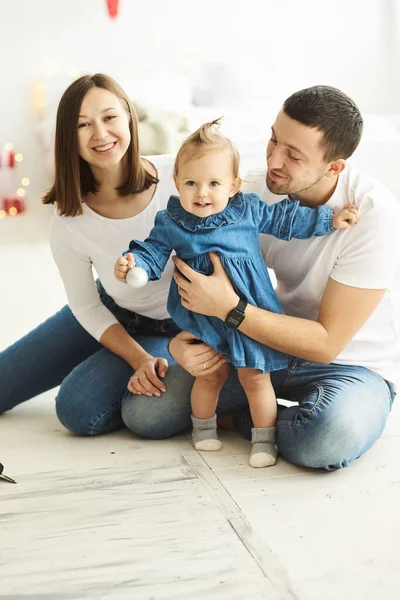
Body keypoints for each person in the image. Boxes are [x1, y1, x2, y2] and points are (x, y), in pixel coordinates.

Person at [123, 85, 399, 472]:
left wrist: (230, 310)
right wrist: (183, 345)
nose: (274, 160)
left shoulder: (373, 214)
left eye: (293, 154)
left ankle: (247, 424)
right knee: (145, 414)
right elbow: (196, 261)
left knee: (325, 437)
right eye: (273, 139)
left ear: (334, 166)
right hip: (259, 339)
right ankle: (259, 421)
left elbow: (326, 344)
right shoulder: (246, 193)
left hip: (350, 364)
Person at [0, 73, 194, 434]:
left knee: (77, 409)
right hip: (108, 310)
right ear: (68, 138)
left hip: (173, 327)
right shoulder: (69, 219)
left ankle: (109, 363)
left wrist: (333, 207)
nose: (100, 134)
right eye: (83, 125)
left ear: (129, 119)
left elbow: (247, 189)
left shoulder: (180, 175)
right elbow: (87, 307)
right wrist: (134, 357)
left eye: (109, 118)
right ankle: (108, 355)